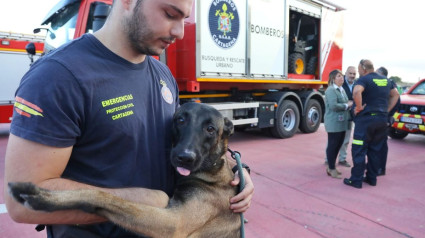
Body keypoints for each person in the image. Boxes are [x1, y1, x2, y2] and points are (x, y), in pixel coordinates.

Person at [3, 0, 254, 237]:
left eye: (184, 18)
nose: (179, 31)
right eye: (169, 14)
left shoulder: (162, 74)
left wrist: (234, 172)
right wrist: (145, 199)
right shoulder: (58, 76)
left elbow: (183, 141)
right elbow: (22, 202)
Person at [343, 59, 399, 189]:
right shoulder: (386, 80)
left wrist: (358, 107)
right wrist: (387, 111)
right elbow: (395, 95)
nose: (358, 73)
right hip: (381, 121)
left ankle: (356, 180)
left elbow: (357, 92)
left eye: (358, 70)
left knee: (359, 149)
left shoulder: (364, 79)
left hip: (366, 121)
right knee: (375, 150)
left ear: (363, 68)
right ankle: (371, 178)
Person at [325, 66, 356, 167]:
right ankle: (330, 164)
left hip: (345, 119)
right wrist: (347, 105)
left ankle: (338, 161)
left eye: (354, 74)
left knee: (342, 142)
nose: (352, 75)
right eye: (339, 76)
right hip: (335, 120)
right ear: (333, 78)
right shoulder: (331, 89)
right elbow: (334, 105)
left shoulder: (342, 89)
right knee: (333, 143)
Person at [375, 66, 400, 176]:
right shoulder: (384, 84)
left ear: (381, 74)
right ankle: (375, 165)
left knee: (381, 144)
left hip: (384, 118)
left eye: (376, 73)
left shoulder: (389, 84)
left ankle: (381, 168)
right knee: (376, 143)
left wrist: (388, 114)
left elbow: (397, 100)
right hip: (380, 118)